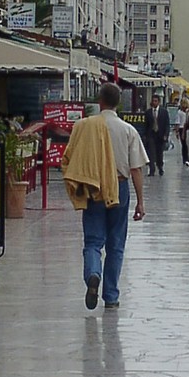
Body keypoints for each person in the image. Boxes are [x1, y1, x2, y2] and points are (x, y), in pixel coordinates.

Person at [61, 82, 147, 311]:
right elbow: (136, 168)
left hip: (93, 187)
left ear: (99, 101)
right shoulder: (128, 130)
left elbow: (71, 156)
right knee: (116, 244)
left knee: (93, 240)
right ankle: (111, 296)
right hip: (119, 188)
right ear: (119, 103)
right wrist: (140, 201)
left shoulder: (85, 126)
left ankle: (92, 274)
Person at [143, 94, 170, 176]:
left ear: (159, 102)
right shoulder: (148, 112)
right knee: (151, 153)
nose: (154, 102)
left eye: (155, 101)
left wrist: (166, 134)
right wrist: (145, 135)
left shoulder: (164, 112)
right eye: (153, 101)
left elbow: (167, 124)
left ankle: (160, 167)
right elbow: (146, 125)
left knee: (159, 153)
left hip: (160, 135)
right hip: (151, 135)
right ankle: (152, 170)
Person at [175, 95, 189, 168]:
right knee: (185, 144)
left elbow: (177, 123)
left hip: (185, 129)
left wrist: (177, 131)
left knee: (185, 145)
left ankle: (186, 158)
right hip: (184, 129)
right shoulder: (182, 112)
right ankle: (186, 158)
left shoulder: (183, 112)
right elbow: (177, 122)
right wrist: (177, 131)